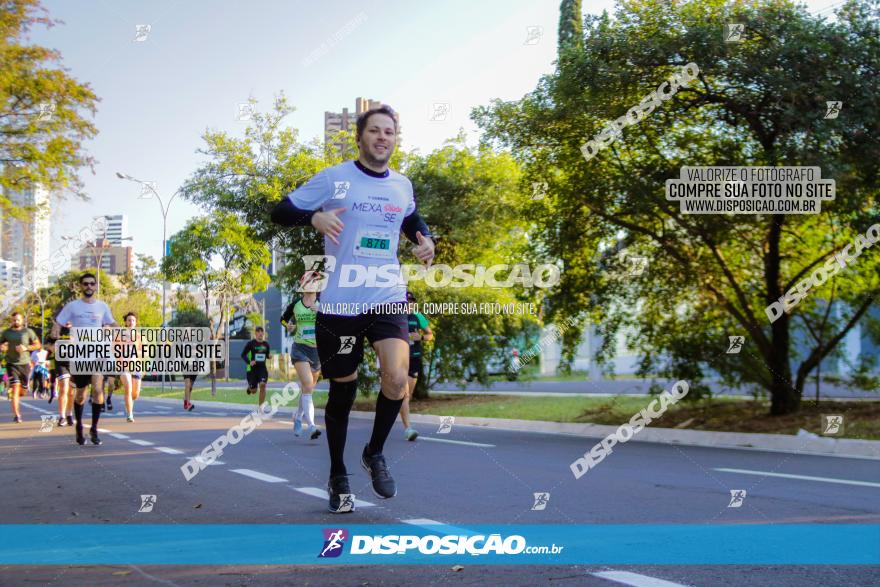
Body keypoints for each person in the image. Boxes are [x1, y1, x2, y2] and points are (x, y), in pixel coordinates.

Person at [272, 104, 435, 513]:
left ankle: (375, 452)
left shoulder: (401, 184)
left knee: (397, 379)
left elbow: (411, 217)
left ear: (396, 139)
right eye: (375, 131)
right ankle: (337, 474)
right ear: (361, 137)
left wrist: (424, 239)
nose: (383, 138)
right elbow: (281, 210)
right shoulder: (335, 178)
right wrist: (314, 218)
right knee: (343, 390)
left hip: (386, 294)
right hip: (340, 302)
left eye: (390, 132)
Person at [51, 273, 118, 445]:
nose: (89, 286)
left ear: (96, 286)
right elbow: (58, 322)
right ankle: (79, 425)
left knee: (97, 389)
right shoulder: (72, 306)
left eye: (91, 284)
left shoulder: (102, 306)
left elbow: (113, 323)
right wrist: (56, 330)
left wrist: (117, 330)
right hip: (79, 355)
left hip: (97, 354)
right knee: (80, 395)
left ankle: (94, 429)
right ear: (80, 286)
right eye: (85, 284)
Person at [282, 272, 322, 440]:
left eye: (316, 281)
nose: (313, 283)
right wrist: (289, 325)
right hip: (300, 349)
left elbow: (334, 321)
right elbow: (283, 319)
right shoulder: (296, 305)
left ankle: (298, 416)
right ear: (303, 284)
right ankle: (311, 425)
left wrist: (321, 312)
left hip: (318, 351)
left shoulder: (323, 303)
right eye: (310, 281)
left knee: (308, 388)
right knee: (306, 383)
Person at [401, 291, 433, 441]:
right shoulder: (394, 316)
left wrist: (420, 337)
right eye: (407, 301)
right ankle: (408, 428)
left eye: (412, 301)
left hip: (414, 357)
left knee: (408, 395)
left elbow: (430, 335)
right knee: (404, 395)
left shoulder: (418, 316)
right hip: (399, 359)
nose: (410, 303)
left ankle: (399, 415)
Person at [0, 312, 41, 423]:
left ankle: (15, 393)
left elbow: (38, 345)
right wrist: (2, 347)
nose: (16, 322)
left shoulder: (28, 332)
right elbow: (1, 344)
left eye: (18, 320)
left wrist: (26, 348)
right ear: (11, 321)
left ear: (22, 320)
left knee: (22, 391)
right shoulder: (6, 333)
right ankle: (17, 415)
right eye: (14, 320)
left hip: (25, 364)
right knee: (15, 388)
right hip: (11, 364)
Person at [46, 321, 74, 426]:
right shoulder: (56, 330)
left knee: (71, 392)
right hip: (61, 363)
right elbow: (49, 345)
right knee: (64, 388)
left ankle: (69, 413)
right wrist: (53, 348)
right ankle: (62, 416)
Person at [119, 312, 142, 422]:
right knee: (128, 388)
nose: (131, 322)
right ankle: (130, 414)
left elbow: (144, 352)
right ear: (126, 322)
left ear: (135, 322)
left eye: (133, 320)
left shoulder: (138, 336)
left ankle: (129, 405)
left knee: (135, 394)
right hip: (124, 366)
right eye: (129, 320)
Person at [241, 326, 271, 406]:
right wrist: (249, 362)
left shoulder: (266, 344)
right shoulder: (251, 344)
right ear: (256, 333)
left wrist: (269, 356)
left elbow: (267, 355)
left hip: (262, 369)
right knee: (254, 391)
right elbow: (243, 355)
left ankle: (261, 408)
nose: (260, 333)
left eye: (262, 332)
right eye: (258, 332)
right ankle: (250, 388)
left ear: (263, 333)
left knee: (263, 385)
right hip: (253, 370)